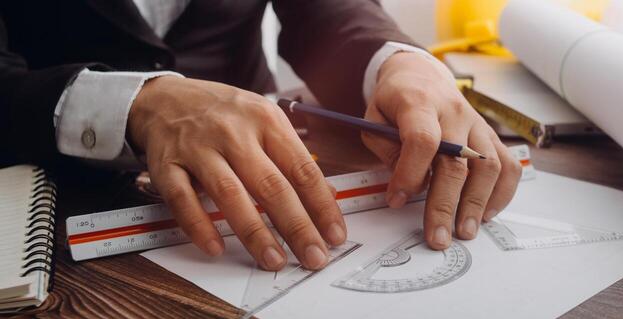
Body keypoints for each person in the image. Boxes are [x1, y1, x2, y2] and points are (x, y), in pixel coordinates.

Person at [0, 1, 521, 271]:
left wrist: (402, 61)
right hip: (48, 197)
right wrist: (136, 102)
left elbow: (322, 10)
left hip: (272, 155)